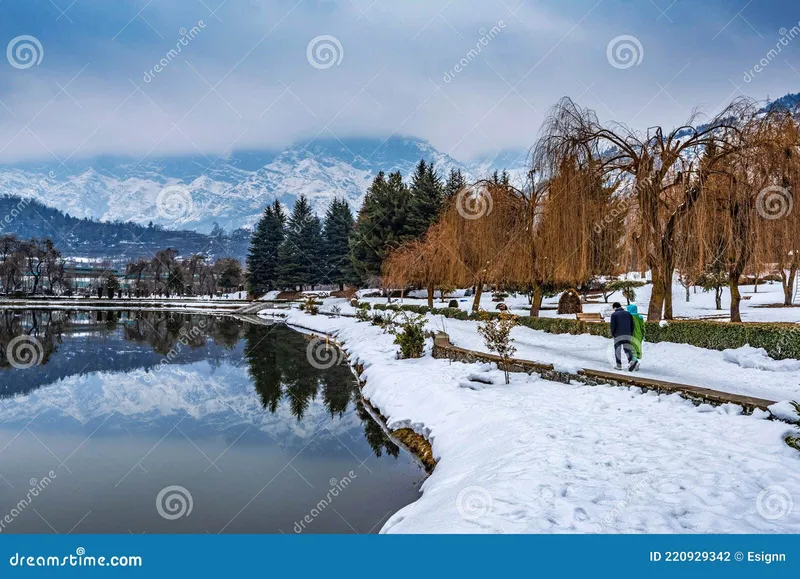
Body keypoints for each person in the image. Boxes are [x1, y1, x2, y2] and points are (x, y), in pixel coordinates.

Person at [609, 302, 635, 371]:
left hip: (618, 335)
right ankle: (630, 361)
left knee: (617, 350)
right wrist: (630, 333)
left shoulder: (614, 315)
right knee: (627, 349)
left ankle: (619, 365)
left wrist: (613, 334)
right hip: (627, 334)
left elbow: (612, 326)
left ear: (615, 307)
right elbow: (632, 325)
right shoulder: (628, 314)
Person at [626, 304, 645, 371]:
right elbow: (643, 327)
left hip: (631, 335)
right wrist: (643, 335)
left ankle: (634, 362)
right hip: (639, 335)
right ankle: (636, 362)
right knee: (637, 349)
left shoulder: (628, 317)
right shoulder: (640, 317)